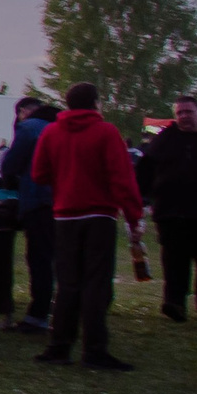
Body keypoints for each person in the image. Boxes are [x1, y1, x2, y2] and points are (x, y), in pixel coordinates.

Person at [32, 83, 145, 371]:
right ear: (95, 103)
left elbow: (39, 173)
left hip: (65, 216)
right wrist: (134, 217)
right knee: (96, 283)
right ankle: (94, 350)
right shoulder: (106, 132)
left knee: (68, 283)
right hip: (99, 215)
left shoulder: (51, 132)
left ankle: (59, 346)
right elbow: (121, 178)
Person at [139, 95, 197, 321]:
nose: (184, 116)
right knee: (175, 260)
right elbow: (145, 169)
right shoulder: (165, 138)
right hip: (172, 211)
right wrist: (143, 199)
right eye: (180, 113)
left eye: (188, 112)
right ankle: (175, 304)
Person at [0, 96, 59, 332]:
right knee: (60, 259)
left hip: (38, 199)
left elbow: (10, 165)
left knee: (40, 258)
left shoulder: (29, 128)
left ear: (23, 111)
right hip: (65, 202)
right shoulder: (61, 126)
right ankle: (66, 310)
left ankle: (37, 316)